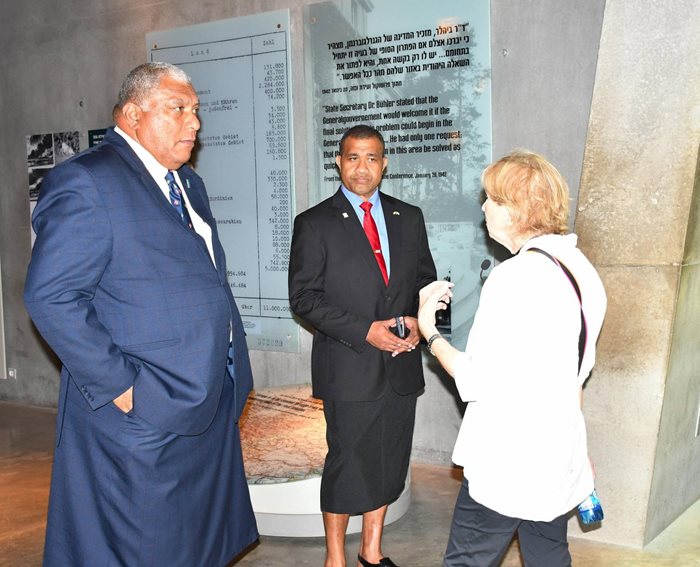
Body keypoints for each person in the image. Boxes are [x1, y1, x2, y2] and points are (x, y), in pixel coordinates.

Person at [24, 62, 258, 566]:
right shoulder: (88, 181)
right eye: (178, 108)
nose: (194, 123)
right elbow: (51, 295)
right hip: (144, 412)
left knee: (195, 545)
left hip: (205, 399)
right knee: (143, 547)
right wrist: (121, 386)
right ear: (133, 115)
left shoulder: (187, 183)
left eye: (195, 110)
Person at [418, 150, 607, 567]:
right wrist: (577, 447)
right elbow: (574, 376)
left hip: (508, 461)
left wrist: (428, 330)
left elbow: (473, 379)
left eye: (491, 198)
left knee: (467, 560)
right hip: (557, 455)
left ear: (516, 209)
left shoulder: (515, 277)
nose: (483, 207)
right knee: (547, 555)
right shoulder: (581, 268)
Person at [289, 124, 436, 567]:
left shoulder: (408, 217)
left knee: (389, 461)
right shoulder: (314, 223)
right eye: (353, 157)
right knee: (347, 463)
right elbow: (304, 298)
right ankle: (335, 557)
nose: (362, 168)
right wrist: (364, 330)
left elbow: (425, 281)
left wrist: (420, 319)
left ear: (384, 164)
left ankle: (371, 551)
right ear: (339, 162)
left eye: (371, 158)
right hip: (349, 366)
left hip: (400, 365)